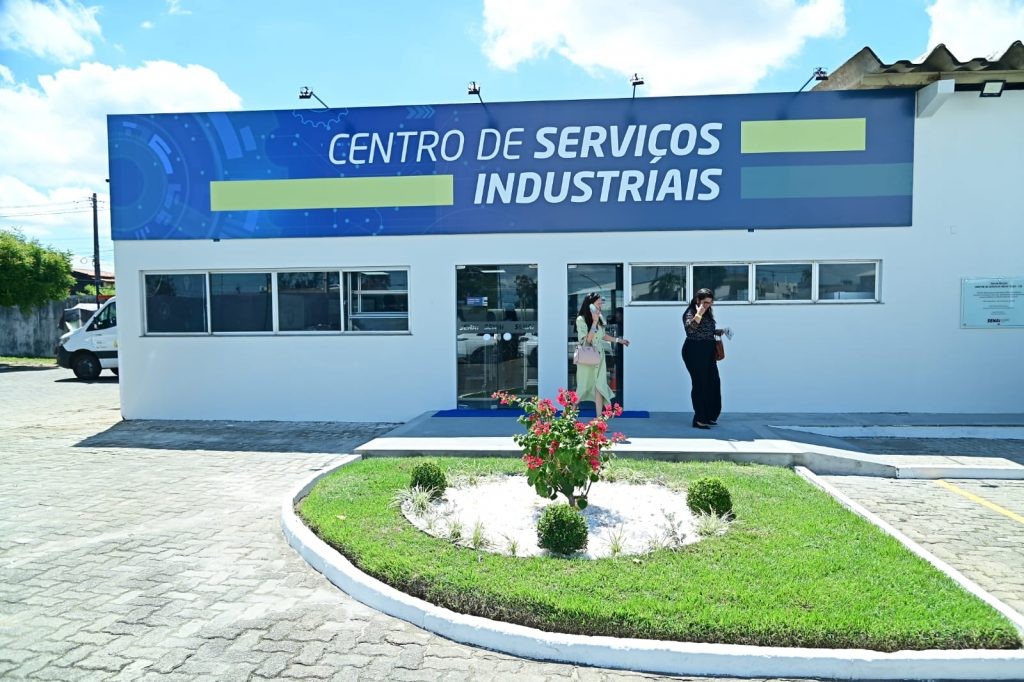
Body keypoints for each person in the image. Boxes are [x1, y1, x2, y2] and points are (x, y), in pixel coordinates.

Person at [575, 293, 630, 414]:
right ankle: (568, 417)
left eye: (601, 303)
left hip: (599, 357)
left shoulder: (599, 317)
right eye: (598, 303)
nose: (600, 306)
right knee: (582, 388)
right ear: (590, 304)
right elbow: (587, 340)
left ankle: (599, 420)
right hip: (587, 357)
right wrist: (594, 322)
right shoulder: (581, 319)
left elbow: (602, 335)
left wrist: (619, 340)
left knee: (599, 386)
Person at [682, 288, 725, 429]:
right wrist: (699, 313)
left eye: (710, 303)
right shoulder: (690, 312)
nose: (708, 305)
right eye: (705, 302)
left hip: (708, 351)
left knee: (713, 382)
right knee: (700, 384)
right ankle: (699, 419)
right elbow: (691, 330)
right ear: (698, 300)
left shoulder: (708, 313)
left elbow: (706, 330)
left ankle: (710, 415)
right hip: (694, 351)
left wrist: (717, 331)